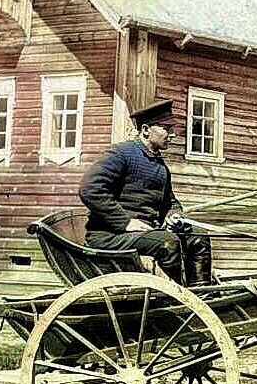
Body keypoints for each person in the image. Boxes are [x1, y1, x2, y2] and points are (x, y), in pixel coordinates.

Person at [79, 99, 213, 285]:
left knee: (198, 236)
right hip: (110, 236)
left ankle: (201, 295)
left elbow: (171, 202)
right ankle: (171, 302)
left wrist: (175, 215)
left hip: (146, 233)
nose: (172, 134)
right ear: (146, 130)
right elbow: (90, 189)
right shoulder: (122, 154)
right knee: (167, 242)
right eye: (167, 128)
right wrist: (124, 222)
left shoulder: (160, 166)